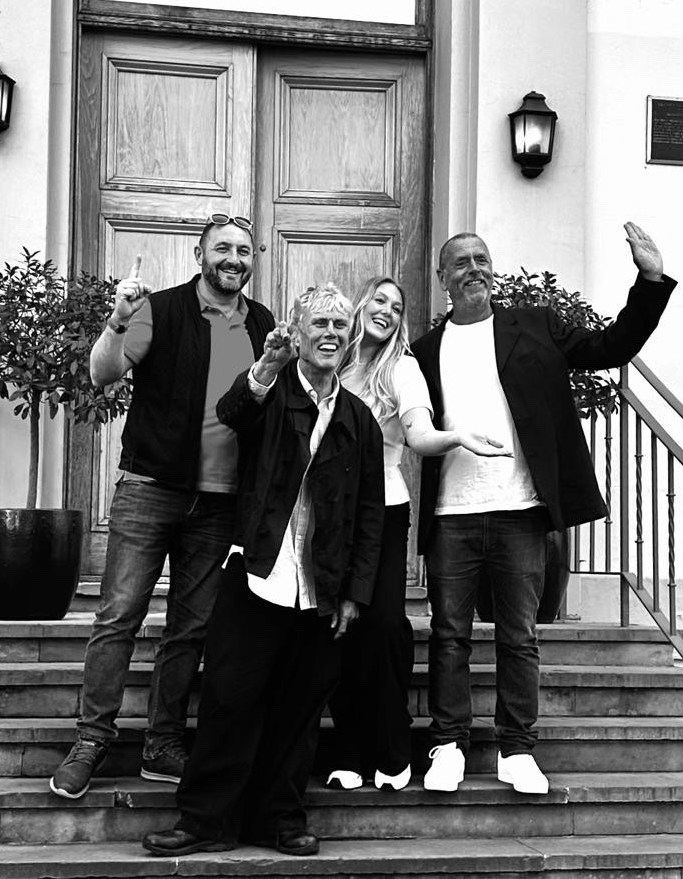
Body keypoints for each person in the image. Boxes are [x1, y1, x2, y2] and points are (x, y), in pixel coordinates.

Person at [411, 221, 676, 796]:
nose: (474, 268)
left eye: (481, 257)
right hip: (451, 513)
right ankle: (449, 743)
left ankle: (517, 747)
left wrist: (650, 280)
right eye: (460, 262)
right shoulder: (424, 350)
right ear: (442, 279)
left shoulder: (533, 326)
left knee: (519, 635)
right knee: (449, 632)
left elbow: (610, 347)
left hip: (519, 510)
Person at [142, 283, 385, 858]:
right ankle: (202, 822)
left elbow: (369, 515)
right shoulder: (271, 390)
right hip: (256, 572)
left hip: (321, 589)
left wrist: (355, 592)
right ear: (296, 333)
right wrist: (263, 369)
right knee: (229, 700)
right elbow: (232, 412)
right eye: (318, 323)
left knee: (299, 711)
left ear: (350, 339)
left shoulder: (360, 420)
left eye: (339, 325)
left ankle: (277, 820)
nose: (330, 333)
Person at [49, 214, 275, 799]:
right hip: (151, 489)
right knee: (118, 614)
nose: (233, 258)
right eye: (222, 248)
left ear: (254, 260)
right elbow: (103, 374)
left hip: (222, 500)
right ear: (200, 255)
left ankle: (163, 742)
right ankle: (92, 739)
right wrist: (117, 319)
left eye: (244, 250)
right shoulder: (163, 309)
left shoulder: (263, 324)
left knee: (190, 627)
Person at [326, 276, 510, 792]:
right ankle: (351, 750)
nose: (386, 310)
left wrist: (458, 438)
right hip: (328, 519)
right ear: (361, 304)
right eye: (379, 300)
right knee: (338, 631)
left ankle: (393, 746)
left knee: (383, 624)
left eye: (396, 305)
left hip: (382, 512)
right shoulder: (333, 360)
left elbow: (418, 434)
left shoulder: (402, 368)